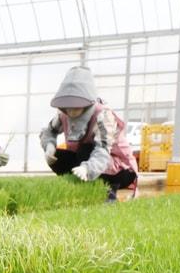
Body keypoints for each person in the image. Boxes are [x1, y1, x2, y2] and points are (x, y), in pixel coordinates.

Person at [38, 66, 139, 202]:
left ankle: (108, 193)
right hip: (85, 158)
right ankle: (79, 187)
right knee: (58, 155)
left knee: (85, 150)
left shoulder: (103, 115)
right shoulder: (63, 114)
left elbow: (102, 150)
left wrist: (88, 168)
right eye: (68, 107)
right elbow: (49, 131)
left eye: (76, 107)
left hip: (119, 168)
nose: (71, 112)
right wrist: (49, 146)